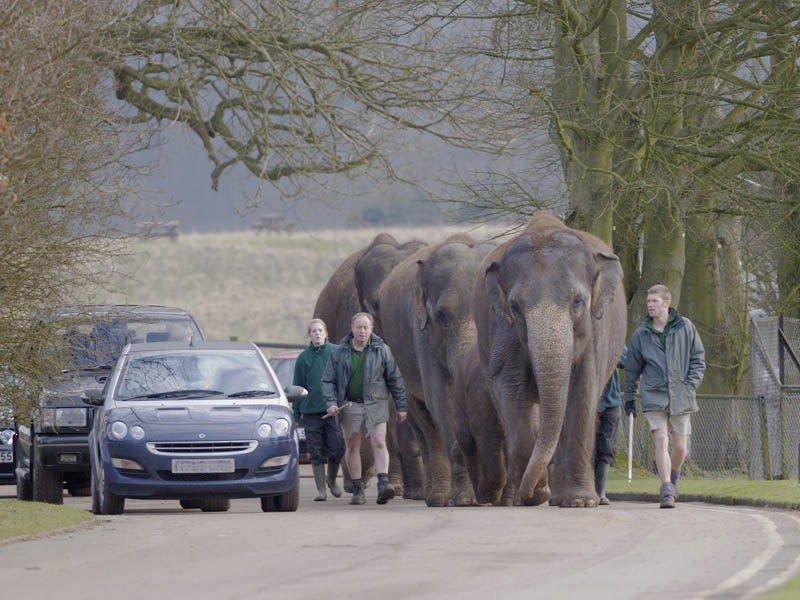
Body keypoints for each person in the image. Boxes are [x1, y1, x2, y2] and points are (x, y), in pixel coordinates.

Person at [623, 284, 706, 509]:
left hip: (681, 395)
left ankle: (674, 477)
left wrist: (691, 385)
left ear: (666, 303)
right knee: (661, 439)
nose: (650, 305)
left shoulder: (685, 327)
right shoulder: (641, 334)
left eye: (655, 301)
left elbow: (698, 359)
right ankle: (667, 488)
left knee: (681, 448)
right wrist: (629, 397)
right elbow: (632, 369)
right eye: (648, 301)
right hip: (653, 394)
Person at [321, 312, 408, 505]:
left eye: (366, 327)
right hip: (349, 405)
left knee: (379, 441)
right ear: (351, 329)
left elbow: (394, 379)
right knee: (353, 446)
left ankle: (383, 484)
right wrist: (331, 403)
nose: (362, 331)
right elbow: (327, 380)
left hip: (375, 403)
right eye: (359, 327)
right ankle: (358, 488)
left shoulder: (382, 350)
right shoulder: (340, 352)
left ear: (371, 329)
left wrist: (401, 406)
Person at [292, 318, 344, 501]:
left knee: (337, 449)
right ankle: (321, 490)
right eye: (314, 331)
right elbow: (298, 386)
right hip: (311, 412)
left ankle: (332, 480)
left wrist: (341, 403)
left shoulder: (336, 352)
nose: (317, 334)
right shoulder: (303, 358)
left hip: (333, 410)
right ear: (309, 335)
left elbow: (344, 380)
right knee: (315, 452)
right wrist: (296, 414)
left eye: (320, 330)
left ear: (326, 333)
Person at [594, 345, 628, 506]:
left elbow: (627, 361)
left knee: (606, 447)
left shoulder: (614, 341)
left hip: (610, 402)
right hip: (585, 403)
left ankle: (600, 491)